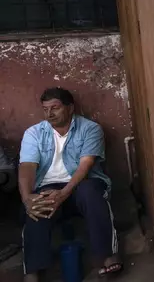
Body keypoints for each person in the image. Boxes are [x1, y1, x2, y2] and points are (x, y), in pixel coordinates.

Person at [18, 87, 121, 281]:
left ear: (70, 108)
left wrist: (63, 193)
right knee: (36, 205)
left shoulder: (90, 129)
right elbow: (27, 167)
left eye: (55, 108)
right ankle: (33, 270)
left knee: (91, 193)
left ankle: (107, 256)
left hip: (81, 184)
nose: (49, 114)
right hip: (48, 188)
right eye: (45, 109)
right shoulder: (34, 133)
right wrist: (27, 198)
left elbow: (85, 165)